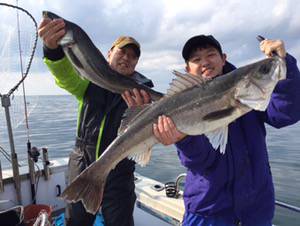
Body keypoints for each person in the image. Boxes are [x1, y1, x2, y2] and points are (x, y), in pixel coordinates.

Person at [153, 35, 300, 226]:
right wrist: (183, 139)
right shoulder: (180, 104)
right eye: (196, 59)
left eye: (211, 54)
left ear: (223, 58)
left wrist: (285, 64)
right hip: (207, 211)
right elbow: (202, 160)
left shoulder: (250, 93)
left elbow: (286, 114)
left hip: (255, 212)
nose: (205, 62)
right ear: (188, 70)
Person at [38, 18, 152, 226]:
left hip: (120, 172)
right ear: (109, 53)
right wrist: (52, 51)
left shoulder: (143, 93)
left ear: (136, 64)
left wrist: (143, 111)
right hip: (82, 164)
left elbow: (151, 134)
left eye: (133, 56)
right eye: (122, 52)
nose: (127, 58)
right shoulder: (88, 80)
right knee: (77, 221)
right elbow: (65, 76)